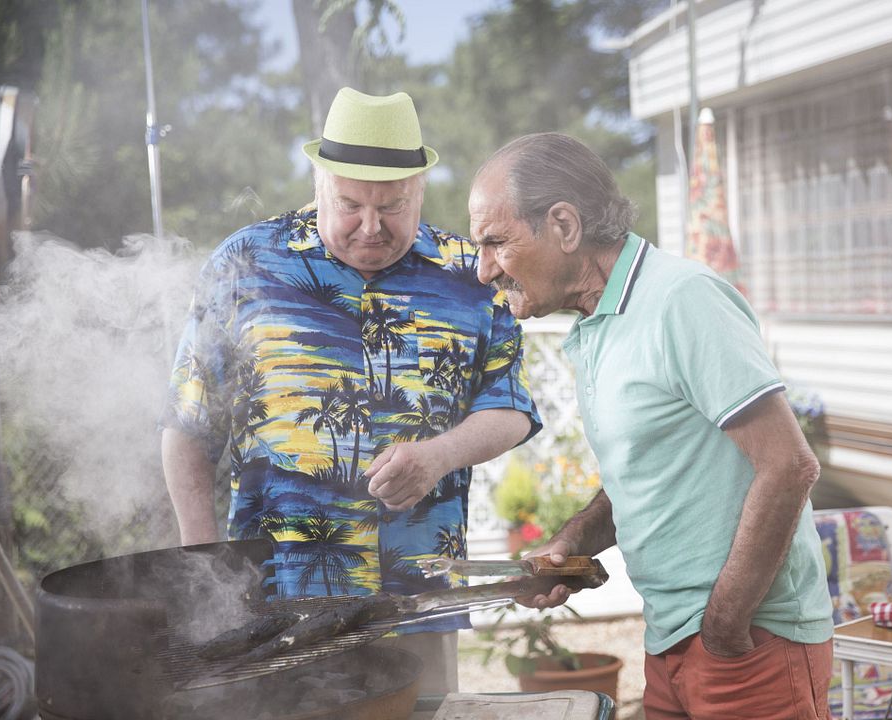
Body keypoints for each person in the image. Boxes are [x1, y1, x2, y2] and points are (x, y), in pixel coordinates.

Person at [161, 87, 540, 693]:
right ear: (319, 184)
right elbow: (188, 425)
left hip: (415, 602)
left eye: (392, 207)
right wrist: (206, 570)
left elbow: (511, 408)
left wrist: (438, 455)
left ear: (420, 189)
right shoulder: (245, 263)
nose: (371, 226)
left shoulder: (472, 273)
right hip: (275, 605)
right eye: (351, 205)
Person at [468, 132, 834, 719]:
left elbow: (789, 465)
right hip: (669, 644)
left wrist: (724, 625)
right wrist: (574, 541)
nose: (484, 270)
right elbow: (652, 471)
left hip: (751, 643)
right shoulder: (596, 326)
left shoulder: (681, 299)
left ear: (564, 225)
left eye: (495, 242)